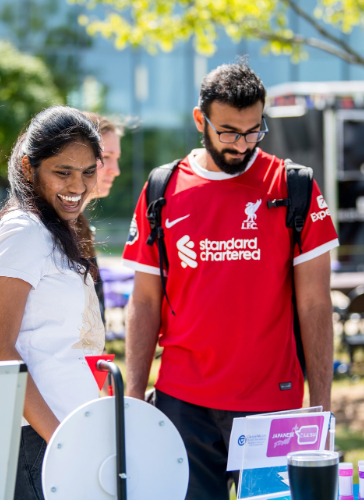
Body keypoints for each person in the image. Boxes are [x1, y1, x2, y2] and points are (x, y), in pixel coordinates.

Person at [122, 63, 337, 499]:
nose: (242, 145)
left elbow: (315, 304)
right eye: (228, 132)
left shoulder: (295, 186)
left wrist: (322, 408)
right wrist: (132, 395)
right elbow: (144, 301)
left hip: (272, 405)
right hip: (184, 403)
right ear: (200, 120)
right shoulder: (162, 189)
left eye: (253, 131)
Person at [0, 106, 106, 500]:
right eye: (63, 171)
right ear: (27, 167)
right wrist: (60, 440)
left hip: (68, 431)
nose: (78, 185)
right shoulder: (23, 231)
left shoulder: (52, 230)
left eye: (89, 171)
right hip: (40, 440)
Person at [77, 112, 123, 321]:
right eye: (106, 157)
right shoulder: (45, 229)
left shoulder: (78, 227)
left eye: (116, 159)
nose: (116, 170)